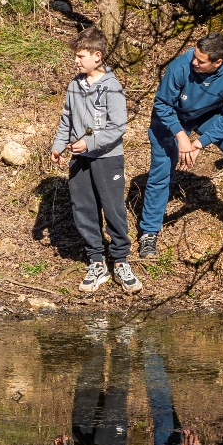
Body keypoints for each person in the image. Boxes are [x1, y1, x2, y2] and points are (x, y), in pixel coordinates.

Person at [137, 33, 223, 258]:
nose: (194, 62)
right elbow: (162, 104)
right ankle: (149, 233)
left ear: (218, 62)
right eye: (194, 56)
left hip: (206, 114)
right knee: (162, 170)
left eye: (201, 60)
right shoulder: (180, 67)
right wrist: (181, 136)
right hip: (170, 117)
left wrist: (199, 144)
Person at [50, 28, 136, 292]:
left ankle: (120, 261)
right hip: (79, 159)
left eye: (81, 56)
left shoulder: (112, 87)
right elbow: (66, 118)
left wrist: (90, 142)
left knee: (113, 208)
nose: (75, 61)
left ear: (97, 56)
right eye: (75, 56)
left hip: (107, 158)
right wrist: (59, 145)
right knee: (84, 208)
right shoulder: (74, 85)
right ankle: (96, 262)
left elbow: (118, 127)